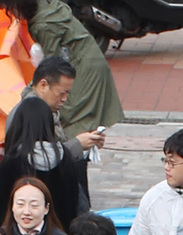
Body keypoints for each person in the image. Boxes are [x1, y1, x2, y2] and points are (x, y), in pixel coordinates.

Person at [0, 58, 93, 235]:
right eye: (62, 93)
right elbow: (78, 204)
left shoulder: (11, 162)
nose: (65, 99)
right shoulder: (64, 159)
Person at [11, 0, 122, 135]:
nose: (12, 14)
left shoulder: (43, 25)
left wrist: (30, 91)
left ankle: (77, 145)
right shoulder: (46, 6)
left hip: (84, 67)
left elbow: (51, 65)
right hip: (90, 60)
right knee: (77, 114)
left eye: (11, 8)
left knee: (72, 114)